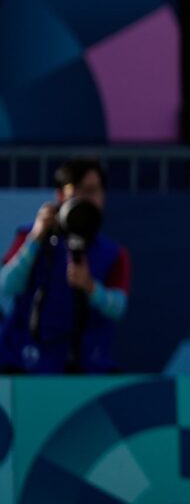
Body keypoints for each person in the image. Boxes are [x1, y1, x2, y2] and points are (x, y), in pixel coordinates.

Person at [0, 158, 131, 373]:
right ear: (60, 195)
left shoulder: (115, 254)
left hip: (84, 365)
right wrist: (35, 239)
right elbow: (6, 286)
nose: (86, 198)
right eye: (78, 190)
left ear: (103, 196)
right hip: (21, 362)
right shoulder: (30, 236)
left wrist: (90, 287)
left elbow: (118, 308)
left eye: (93, 191)